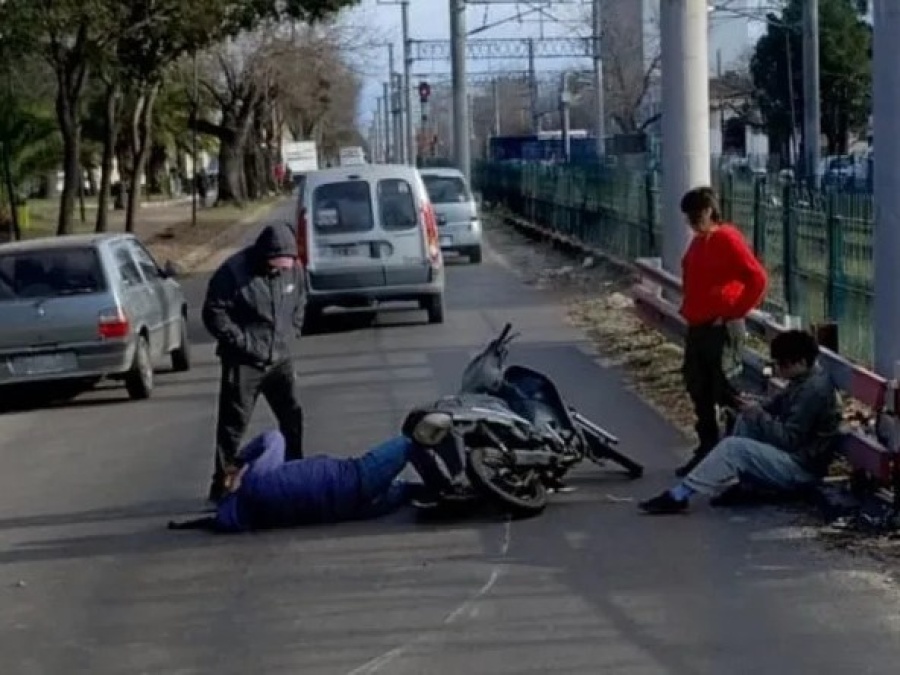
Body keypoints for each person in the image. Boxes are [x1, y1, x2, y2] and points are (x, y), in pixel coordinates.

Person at [639, 330, 842, 515]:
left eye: (783, 364)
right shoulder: (802, 380)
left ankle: (679, 495)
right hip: (796, 459)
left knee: (733, 448)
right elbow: (774, 406)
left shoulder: (813, 391)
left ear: (802, 362)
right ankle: (747, 485)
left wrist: (758, 414)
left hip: (802, 469)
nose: (780, 369)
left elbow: (790, 440)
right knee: (746, 419)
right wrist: (752, 405)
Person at [170, 424, 466, 533]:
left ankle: (447, 496)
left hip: (351, 509)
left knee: (407, 492)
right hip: (354, 478)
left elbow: (214, 520)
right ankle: (456, 481)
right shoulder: (255, 482)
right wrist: (240, 461)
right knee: (411, 441)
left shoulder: (255, 516)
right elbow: (273, 437)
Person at [202, 223, 306, 504]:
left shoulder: (294, 269)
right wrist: (243, 342)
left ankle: (295, 475)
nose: (281, 270)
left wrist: (293, 331)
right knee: (232, 427)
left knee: (292, 418)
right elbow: (214, 313)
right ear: (264, 256)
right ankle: (222, 485)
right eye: (276, 265)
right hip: (244, 362)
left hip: (280, 359)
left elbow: (300, 300)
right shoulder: (233, 272)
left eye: (286, 265)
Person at [675, 186, 768, 478]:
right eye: (689, 217)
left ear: (709, 212)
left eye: (696, 215)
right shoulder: (698, 242)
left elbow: (757, 278)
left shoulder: (727, 238)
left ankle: (734, 454)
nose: (692, 222)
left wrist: (734, 311)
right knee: (698, 387)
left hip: (721, 327)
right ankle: (707, 449)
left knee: (725, 389)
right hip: (699, 326)